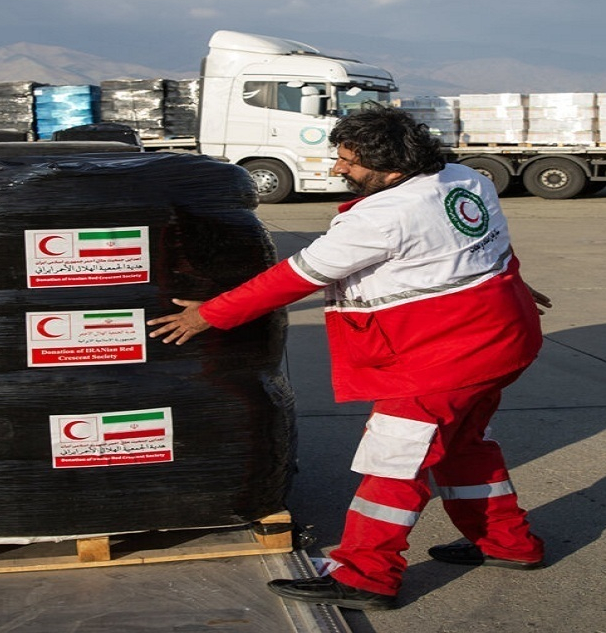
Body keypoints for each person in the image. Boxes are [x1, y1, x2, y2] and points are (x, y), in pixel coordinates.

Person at [148, 105, 549, 611]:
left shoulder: (382, 217)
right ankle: (508, 543)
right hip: (502, 338)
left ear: (391, 168)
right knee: (466, 445)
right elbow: (485, 244)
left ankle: (365, 576)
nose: (339, 169)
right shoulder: (464, 177)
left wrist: (210, 315)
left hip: (441, 358)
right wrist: (511, 287)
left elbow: (294, 278)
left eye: (348, 162)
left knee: (394, 463)